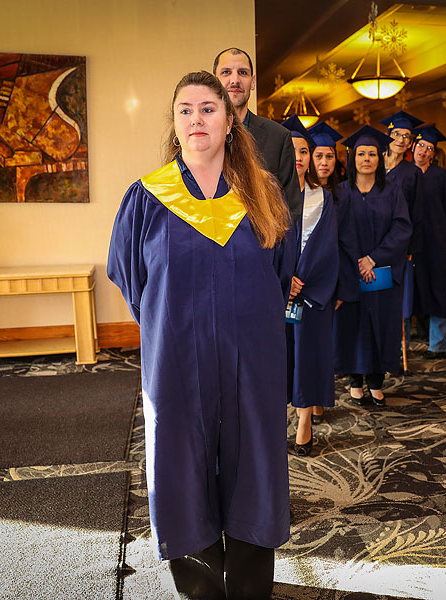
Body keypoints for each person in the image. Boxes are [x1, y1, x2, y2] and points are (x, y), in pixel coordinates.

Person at [107, 70, 293, 600]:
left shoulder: (263, 193)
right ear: (174, 123)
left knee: (253, 462)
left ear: (231, 120)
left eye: (208, 109)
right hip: (178, 362)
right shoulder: (147, 197)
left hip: (251, 361)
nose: (196, 119)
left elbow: (281, 271)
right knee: (181, 463)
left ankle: (252, 585)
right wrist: (173, 327)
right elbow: (129, 275)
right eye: (185, 110)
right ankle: (200, 588)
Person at [333, 125, 412, 408]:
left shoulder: (392, 192)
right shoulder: (339, 193)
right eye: (361, 154)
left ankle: (376, 381)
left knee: (381, 324)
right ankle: (355, 380)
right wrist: (356, 261)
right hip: (350, 272)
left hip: (382, 272)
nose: (367, 159)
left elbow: (402, 229)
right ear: (352, 158)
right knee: (352, 325)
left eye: (372, 154)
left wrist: (373, 258)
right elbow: (335, 233)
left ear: (380, 159)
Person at [280, 116, 340, 457]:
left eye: (304, 150)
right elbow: (263, 244)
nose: (299, 156)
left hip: (312, 293)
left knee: (307, 356)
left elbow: (327, 246)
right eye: (292, 151)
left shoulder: (323, 198)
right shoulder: (269, 195)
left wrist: (303, 282)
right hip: (278, 291)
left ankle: (304, 421)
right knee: (279, 356)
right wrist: (283, 278)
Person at [213, 47, 302, 220]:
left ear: (253, 82)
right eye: (226, 72)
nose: (235, 80)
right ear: (214, 81)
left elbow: (291, 209)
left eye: (243, 73)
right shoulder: (200, 135)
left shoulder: (278, 137)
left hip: (263, 244)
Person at [411, 125, 446, 358]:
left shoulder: (441, 176)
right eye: (420, 145)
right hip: (409, 245)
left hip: (435, 244)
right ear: (412, 146)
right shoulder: (402, 174)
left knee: (438, 290)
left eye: (429, 148)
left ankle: (438, 344)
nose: (423, 151)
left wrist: (441, 236)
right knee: (413, 291)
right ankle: (409, 339)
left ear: (433, 154)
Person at [379, 110, 425, 355]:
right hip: (372, 244)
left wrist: (411, 248)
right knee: (373, 295)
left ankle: (396, 348)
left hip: (399, 246)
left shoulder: (412, 173)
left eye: (407, 136)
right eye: (397, 133)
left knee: (398, 297)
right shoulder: (373, 163)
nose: (401, 140)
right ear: (388, 135)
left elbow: (418, 214)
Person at [308, 120, 344, 190]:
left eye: (329, 156)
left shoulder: (343, 193)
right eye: (318, 156)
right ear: (309, 159)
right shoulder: (302, 193)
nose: (324, 163)